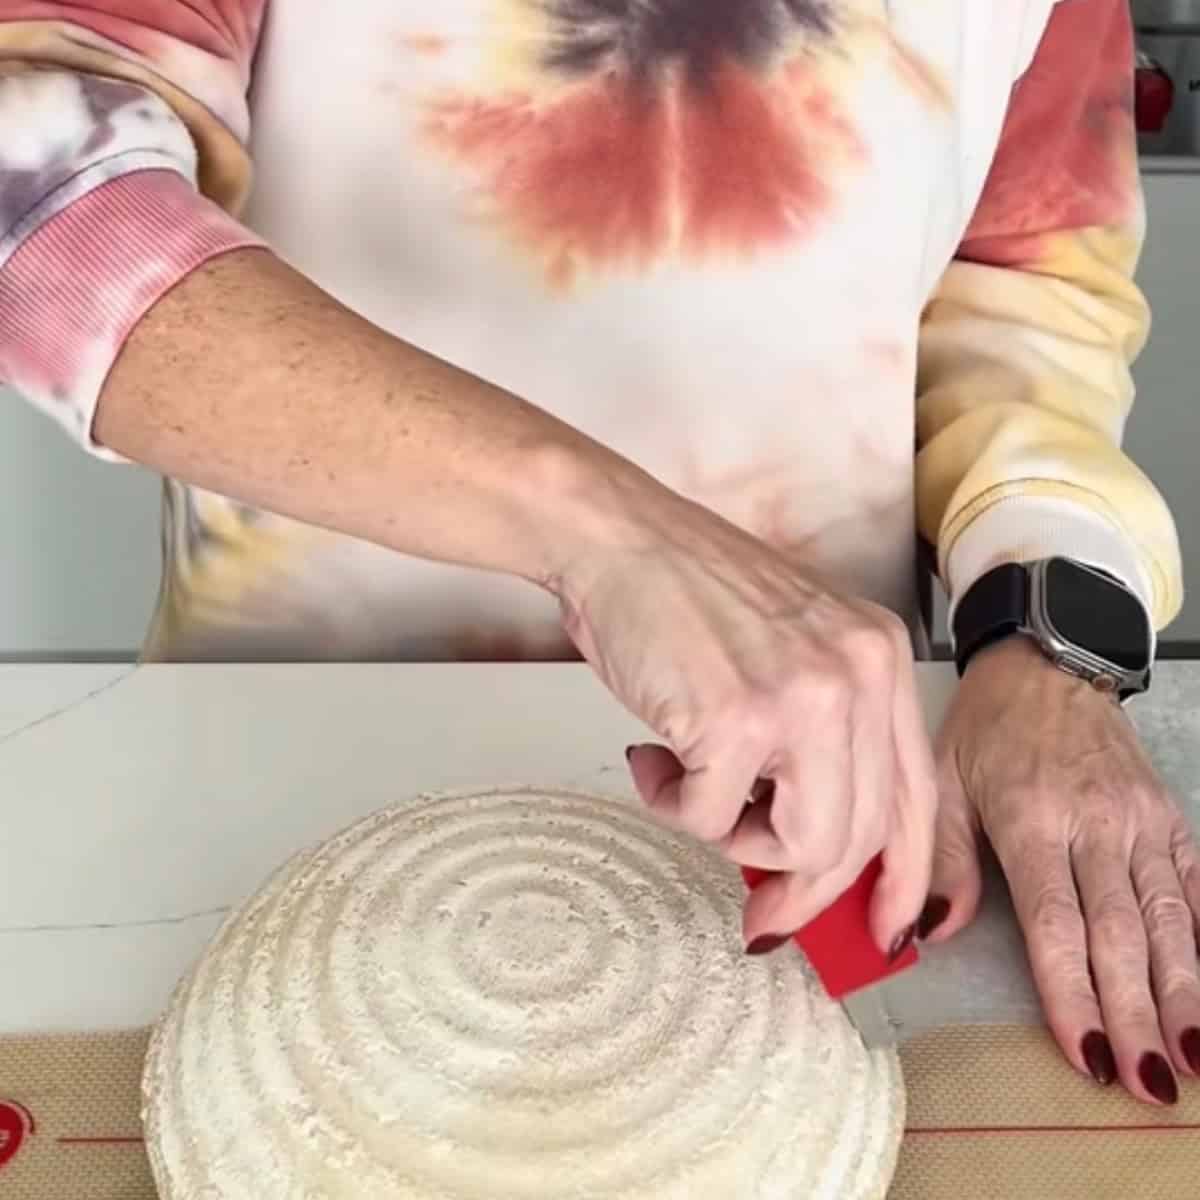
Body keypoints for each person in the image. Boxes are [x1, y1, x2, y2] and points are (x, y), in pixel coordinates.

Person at [0, 0, 1195, 1107]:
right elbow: (37, 199)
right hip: (284, 760)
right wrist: (605, 531)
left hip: (809, 795)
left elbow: (1025, 275)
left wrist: (1044, 632)